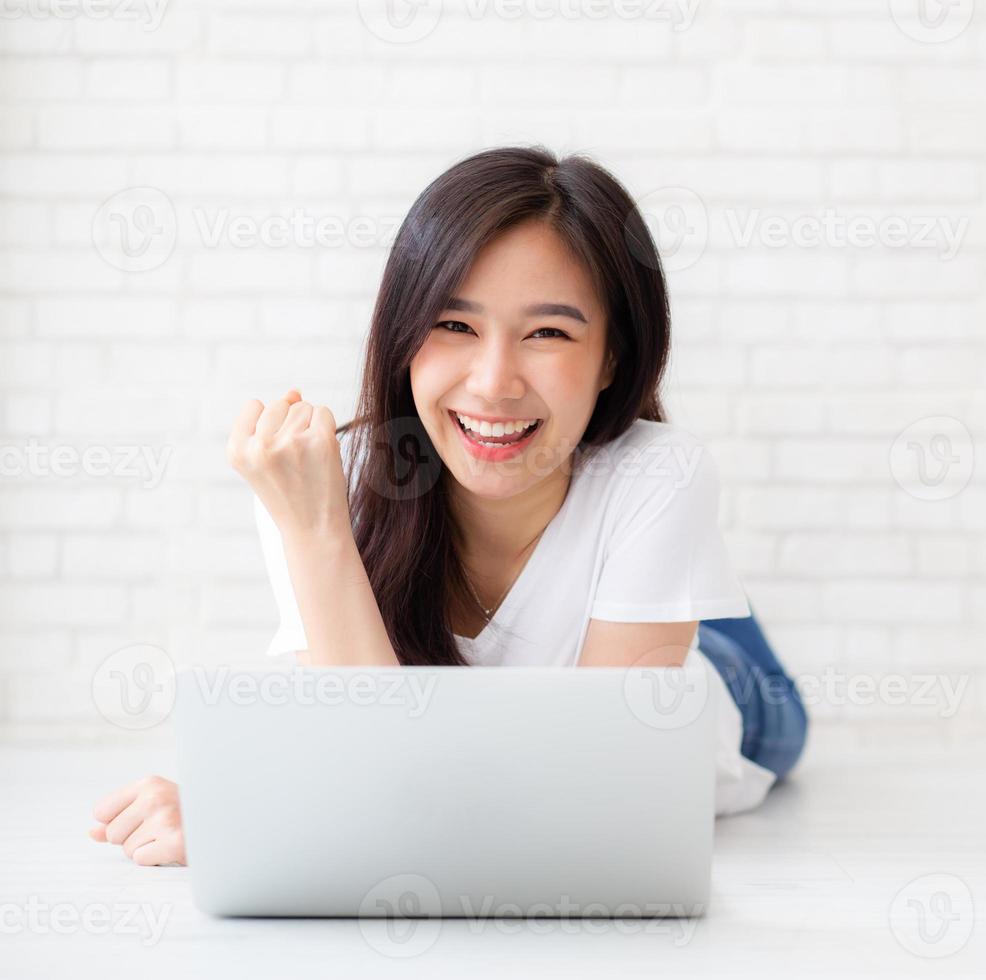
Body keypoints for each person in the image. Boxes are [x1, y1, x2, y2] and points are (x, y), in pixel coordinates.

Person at [88, 146, 808, 867]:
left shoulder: (662, 472)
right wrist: (316, 531)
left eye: (548, 332)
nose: (494, 384)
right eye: (455, 326)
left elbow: (589, 796)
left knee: (718, 668)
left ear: (613, 357)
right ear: (404, 335)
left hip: (723, 694)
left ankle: (691, 596)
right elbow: (377, 774)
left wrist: (250, 806)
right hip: (598, 629)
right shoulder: (316, 481)